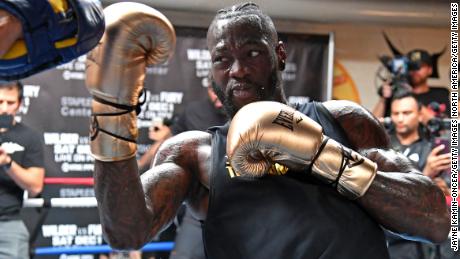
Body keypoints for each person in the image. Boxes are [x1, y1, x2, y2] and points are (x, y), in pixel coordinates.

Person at [85, 3, 449, 259]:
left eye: (253, 54)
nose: (238, 70)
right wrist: (112, 112)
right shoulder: (194, 154)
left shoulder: (344, 122)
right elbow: (125, 233)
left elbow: (435, 220)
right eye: (222, 59)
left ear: (280, 55)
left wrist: (327, 158)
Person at [386, 91, 451, 259]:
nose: (400, 119)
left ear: (420, 115)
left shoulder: (432, 149)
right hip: (391, 240)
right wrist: (426, 175)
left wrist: (443, 190)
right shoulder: (382, 150)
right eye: (395, 113)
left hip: (426, 243)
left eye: (406, 113)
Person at [168, 75, 227, 259]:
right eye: (212, 90)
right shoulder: (195, 111)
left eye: (221, 91)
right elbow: (169, 141)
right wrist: (139, 164)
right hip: (201, 206)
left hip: (238, 206)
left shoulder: (247, 113)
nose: (216, 96)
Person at [0, 80, 45, 258]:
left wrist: (7, 162)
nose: (4, 108)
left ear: (19, 104)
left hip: (8, 223)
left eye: (10, 102)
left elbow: (35, 187)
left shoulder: (29, 137)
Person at [372, 49, 450, 124]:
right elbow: (373, 125)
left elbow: (438, 125)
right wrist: (383, 99)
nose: (414, 71)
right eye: (410, 67)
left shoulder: (441, 94)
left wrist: (409, 95)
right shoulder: (394, 93)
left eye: (418, 66)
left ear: (430, 70)